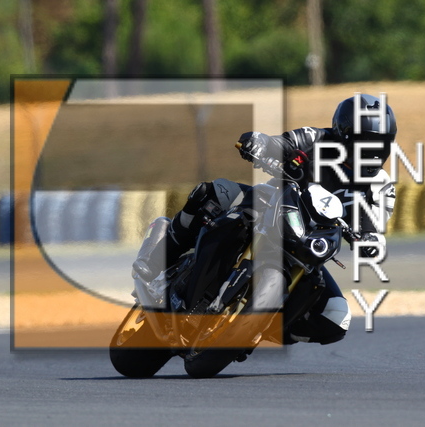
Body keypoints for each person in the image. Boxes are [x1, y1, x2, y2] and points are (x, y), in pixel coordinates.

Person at [133, 93, 397, 345]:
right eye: (366, 140)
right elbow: (282, 143)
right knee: (212, 193)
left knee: (335, 317)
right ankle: (159, 258)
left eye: (380, 142)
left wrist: (370, 241)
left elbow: (374, 226)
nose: (372, 150)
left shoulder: (382, 185)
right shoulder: (317, 138)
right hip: (269, 204)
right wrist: (260, 143)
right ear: (343, 133)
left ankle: (258, 328)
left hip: (310, 243)